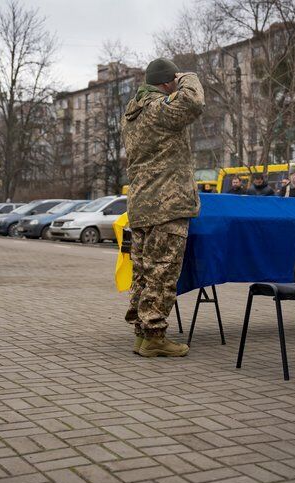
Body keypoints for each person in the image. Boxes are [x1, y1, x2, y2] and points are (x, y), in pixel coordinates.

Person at [121, 58, 204, 358]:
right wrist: (188, 76)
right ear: (167, 83)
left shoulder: (132, 113)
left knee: (143, 272)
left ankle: (142, 334)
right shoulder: (159, 109)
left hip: (142, 203)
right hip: (166, 203)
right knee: (163, 272)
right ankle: (155, 336)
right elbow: (193, 103)